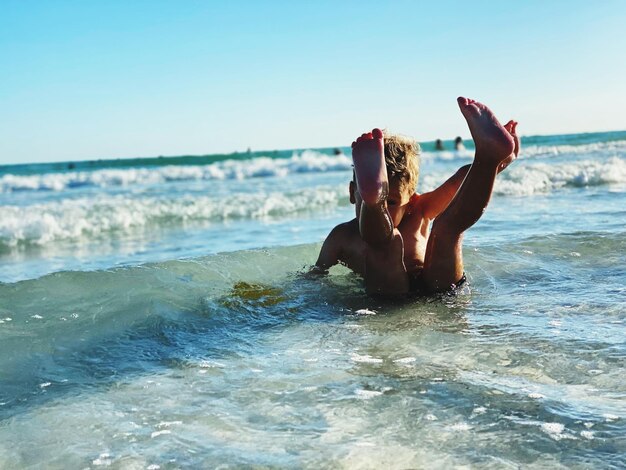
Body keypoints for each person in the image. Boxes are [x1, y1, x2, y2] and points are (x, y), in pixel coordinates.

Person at [314, 97, 519, 296]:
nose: (385, 208)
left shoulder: (420, 210)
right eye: (377, 200)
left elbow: (460, 183)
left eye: (390, 201)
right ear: (352, 193)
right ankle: (487, 159)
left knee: (446, 228)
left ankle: (487, 157)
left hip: (438, 286)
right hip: (393, 293)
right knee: (386, 241)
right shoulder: (342, 235)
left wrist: (493, 165)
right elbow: (316, 276)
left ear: (411, 202)